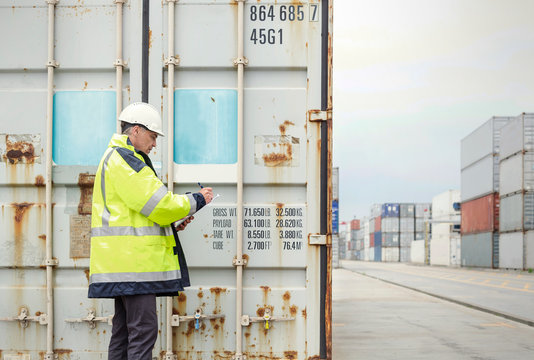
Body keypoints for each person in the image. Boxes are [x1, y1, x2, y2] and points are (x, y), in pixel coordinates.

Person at [88, 102, 214, 359]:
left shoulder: (116, 158)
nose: (154, 144)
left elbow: (138, 211)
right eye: (153, 136)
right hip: (133, 267)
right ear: (135, 130)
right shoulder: (126, 160)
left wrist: (171, 224)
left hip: (122, 265)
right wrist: (197, 200)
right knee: (143, 331)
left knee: (123, 334)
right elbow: (160, 204)